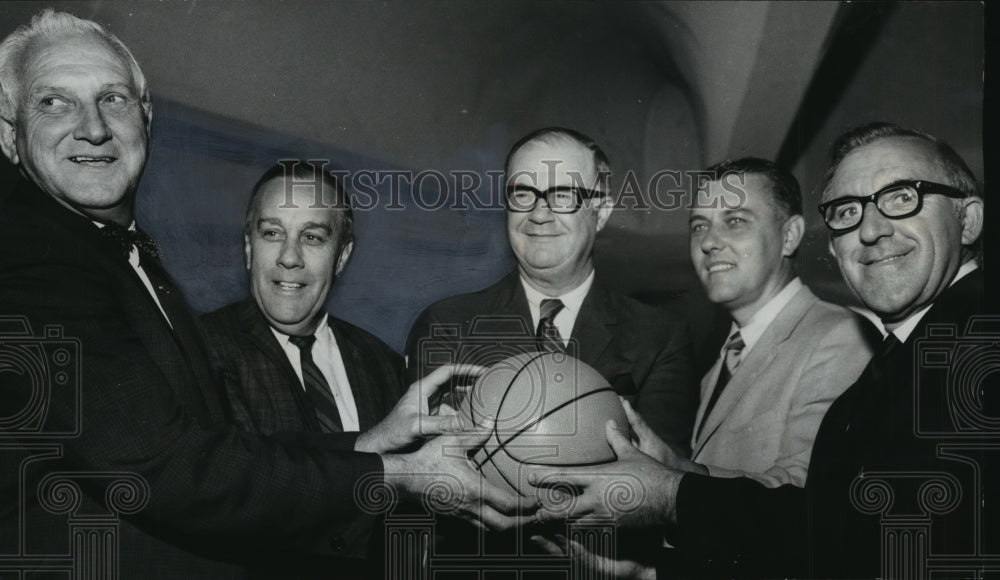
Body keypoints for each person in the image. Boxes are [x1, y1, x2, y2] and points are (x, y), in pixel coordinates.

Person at [0, 10, 526, 579]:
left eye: (115, 99)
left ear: (146, 118)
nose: (94, 128)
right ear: (9, 134)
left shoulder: (118, 256)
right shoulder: (33, 259)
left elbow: (209, 448)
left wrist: (373, 443)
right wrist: (395, 474)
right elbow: (171, 470)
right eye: (53, 102)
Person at [531, 123, 991, 578]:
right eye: (848, 210)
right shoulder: (725, 363)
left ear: (968, 219)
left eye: (900, 198)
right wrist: (651, 561)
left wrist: (671, 493)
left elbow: (847, 523)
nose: (870, 229)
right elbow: (834, 535)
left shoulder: (961, 344)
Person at [406, 127, 697, 453]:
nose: (539, 214)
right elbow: (433, 470)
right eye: (522, 194)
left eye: (562, 195)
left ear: (600, 212)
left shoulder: (658, 337)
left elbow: (662, 477)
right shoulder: (447, 325)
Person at [199, 162, 408, 577]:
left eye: (312, 238)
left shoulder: (383, 363)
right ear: (248, 246)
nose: (289, 258)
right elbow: (238, 486)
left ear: (342, 255)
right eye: (272, 233)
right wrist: (370, 448)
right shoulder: (200, 348)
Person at [678, 157, 873, 487]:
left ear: (790, 235)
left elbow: (805, 488)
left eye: (735, 220)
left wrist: (670, 481)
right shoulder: (717, 364)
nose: (709, 242)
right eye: (699, 226)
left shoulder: (840, 337)